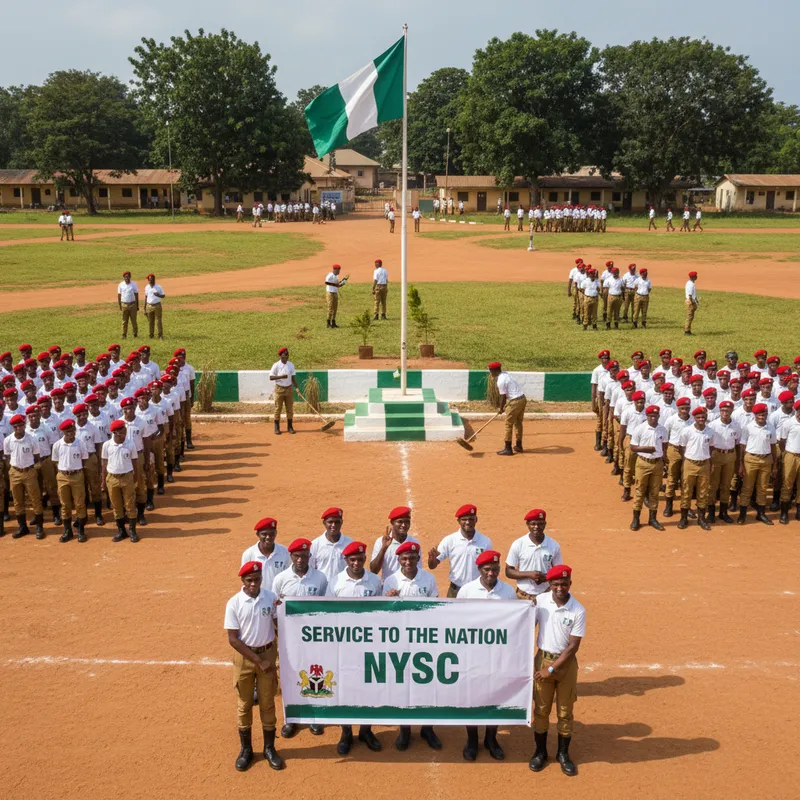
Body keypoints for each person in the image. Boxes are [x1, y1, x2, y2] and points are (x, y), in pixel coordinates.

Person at [224, 561, 284, 772]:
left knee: (268, 702)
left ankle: (269, 748)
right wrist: (259, 661)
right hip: (246, 658)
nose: (253, 584)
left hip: (267, 652)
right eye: (249, 580)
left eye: (257, 579)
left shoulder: (270, 597)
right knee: (244, 704)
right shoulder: (234, 603)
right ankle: (246, 749)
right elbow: (233, 639)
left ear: (261, 579)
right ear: (242, 580)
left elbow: (278, 623)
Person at [457, 550, 516, 762]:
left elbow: (515, 621)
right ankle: (472, 740)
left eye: (495, 569)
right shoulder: (467, 590)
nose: (491, 573)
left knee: (496, 696)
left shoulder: (508, 592)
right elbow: (456, 621)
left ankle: (491, 739)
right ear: (479, 569)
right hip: (472, 655)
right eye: (487, 569)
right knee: (472, 697)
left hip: (498, 655)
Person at [529, 564, 585, 777]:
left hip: (565, 665)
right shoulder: (541, 601)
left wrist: (550, 669)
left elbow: (573, 647)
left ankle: (563, 754)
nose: (560, 588)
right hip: (543, 658)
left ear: (570, 583)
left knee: (565, 712)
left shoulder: (578, 610)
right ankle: (540, 752)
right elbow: (526, 625)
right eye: (555, 584)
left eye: (563, 583)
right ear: (550, 585)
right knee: (541, 710)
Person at [330, 541, 383, 755]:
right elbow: (326, 612)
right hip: (344, 645)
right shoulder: (335, 583)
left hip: (370, 644)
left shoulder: (374, 581)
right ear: (346, 560)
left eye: (360, 559)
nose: (356, 563)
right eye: (352, 559)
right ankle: (346, 732)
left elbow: (383, 611)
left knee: (368, 687)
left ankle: (366, 730)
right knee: (345, 687)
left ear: (364, 559)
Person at [428, 503, 492, 597]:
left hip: (477, 590)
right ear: (458, 521)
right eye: (464, 519)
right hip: (455, 590)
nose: (468, 522)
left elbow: (490, 567)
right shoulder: (449, 540)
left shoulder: (485, 541)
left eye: (471, 519)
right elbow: (432, 566)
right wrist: (432, 559)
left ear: (476, 520)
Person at [505, 508, 562, 601]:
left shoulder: (554, 545)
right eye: (533, 524)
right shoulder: (518, 544)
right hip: (523, 594)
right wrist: (529, 574)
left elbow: (558, 571)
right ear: (527, 524)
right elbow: (508, 571)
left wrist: (545, 577)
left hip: (546, 594)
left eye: (540, 524)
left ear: (545, 524)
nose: (536, 527)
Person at [737, 403, 778, 525]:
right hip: (751, 459)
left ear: (766, 414)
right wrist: (741, 464)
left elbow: (773, 446)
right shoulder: (748, 427)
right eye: (759, 414)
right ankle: (742, 514)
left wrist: (774, 465)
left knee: (762, 488)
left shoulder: (771, 428)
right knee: (747, 487)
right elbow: (742, 446)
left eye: (764, 414)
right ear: (755, 415)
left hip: (766, 459)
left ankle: (761, 514)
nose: (761, 416)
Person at [4, 413, 43, 539]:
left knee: (35, 499)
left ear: (24, 425)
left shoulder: (32, 439)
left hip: (29, 471)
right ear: (13, 427)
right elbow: (8, 456)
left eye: (20, 425)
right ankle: (22, 527)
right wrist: (16, 468)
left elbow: (37, 457)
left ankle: (39, 526)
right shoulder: (8, 440)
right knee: (17, 501)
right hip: (15, 472)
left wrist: (30, 467)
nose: (18, 428)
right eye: (15, 426)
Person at [629, 405, 667, 531]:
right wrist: (647, 449)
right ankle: (636, 519)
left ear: (658, 416)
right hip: (643, 463)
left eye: (655, 416)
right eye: (650, 416)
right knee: (640, 490)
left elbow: (665, 445)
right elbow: (633, 447)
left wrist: (664, 460)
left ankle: (652, 518)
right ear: (647, 416)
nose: (653, 418)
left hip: (657, 463)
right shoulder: (640, 429)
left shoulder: (662, 430)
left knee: (654, 492)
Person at [51, 419, 89, 542]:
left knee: (80, 503)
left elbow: (84, 460)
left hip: (77, 475)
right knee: (65, 504)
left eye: (73, 431)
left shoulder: (80, 443)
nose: (71, 433)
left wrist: (77, 470)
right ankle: (68, 531)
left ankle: (81, 531)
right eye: (68, 431)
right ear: (63, 432)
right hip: (62, 476)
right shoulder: (57, 445)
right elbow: (56, 461)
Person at [101, 419, 139, 542]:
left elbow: (134, 462)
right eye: (122, 432)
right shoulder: (107, 445)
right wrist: (103, 481)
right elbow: (104, 463)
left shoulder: (130, 444)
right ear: (115, 433)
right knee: (116, 506)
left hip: (127, 477)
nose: (124, 435)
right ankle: (121, 531)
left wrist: (136, 478)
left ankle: (132, 531)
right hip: (112, 478)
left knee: (130, 504)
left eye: (125, 432)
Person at [678, 408, 713, 529]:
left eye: (703, 417)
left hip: (704, 464)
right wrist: (687, 460)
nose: (701, 419)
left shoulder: (710, 431)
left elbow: (711, 447)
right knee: (686, 491)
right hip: (690, 463)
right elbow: (682, 447)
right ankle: (683, 518)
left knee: (703, 492)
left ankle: (701, 519)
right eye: (698, 417)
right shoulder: (687, 431)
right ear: (694, 418)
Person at [707, 400, 741, 524]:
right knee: (713, 485)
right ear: (720, 411)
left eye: (727, 411)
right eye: (722, 410)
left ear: (731, 411)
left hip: (730, 456)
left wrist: (738, 462)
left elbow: (738, 444)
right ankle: (711, 512)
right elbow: (709, 445)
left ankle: (723, 512)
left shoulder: (736, 425)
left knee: (726, 485)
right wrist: (709, 461)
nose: (725, 413)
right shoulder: (713, 425)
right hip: (716, 455)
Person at [240, 517, 289, 593]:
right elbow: (246, 578)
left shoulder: (285, 552)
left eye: (272, 534)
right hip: (259, 596)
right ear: (257, 534)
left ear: (276, 533)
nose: (268, 537)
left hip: (279, 596)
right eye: (264, 534)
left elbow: (289, 575)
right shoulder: (249, 554)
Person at [370, 505, 419, 579]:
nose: (404, 525)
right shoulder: (380, 542)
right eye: (400, 522)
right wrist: (384, 548)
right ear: (392, 522)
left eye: (407, 522)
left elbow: (418, 568)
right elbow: (374, 570)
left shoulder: (414, 542)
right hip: (388, 585)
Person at [488, 361, 527, 455]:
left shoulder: (500, 381)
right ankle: (519, 446)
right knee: (518, 423)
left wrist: (501, 408)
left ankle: (508, 448)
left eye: (490, 371)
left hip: (514, 402)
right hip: (522, 399)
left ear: (495, 370)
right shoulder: (505, 374)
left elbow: (503, 396)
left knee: (508, 424)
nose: (490, 373)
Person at [310, 507, 352, 587]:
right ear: (324, 523)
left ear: (341, 522)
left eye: (337, 522)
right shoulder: (315, 544)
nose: (333, 525)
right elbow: (310, 569)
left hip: (343, 587)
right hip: (322, 587)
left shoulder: (349, 544)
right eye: (330, 522)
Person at [778, 400, 800, 523]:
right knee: (787, 483)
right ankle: (784, 513)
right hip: (791, 455)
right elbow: (782, 441)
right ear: (796, 411)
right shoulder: (788, 423)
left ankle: (799, 511)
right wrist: (785, 454)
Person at [268, 347, 298, 436]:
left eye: (286, 356)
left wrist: (296, 387)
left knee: (289, 409)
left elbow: (293, 378)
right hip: (279, 389)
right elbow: (271, 377)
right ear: (280, 356)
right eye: (283, 356)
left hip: (289, 389)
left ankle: (290, 427)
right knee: (278, 408)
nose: (285, 358)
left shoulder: (291, 365)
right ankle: (276, 427)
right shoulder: (276, 365)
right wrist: (281, 377)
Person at [118, 271, 140, 339]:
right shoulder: (121, 285)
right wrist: (120, 305)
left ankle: (135, 333)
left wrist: (137, 305)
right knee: (124, 321)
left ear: (130, 277)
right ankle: (124, 334)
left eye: (128, 277)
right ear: (124, 277)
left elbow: (136, 294)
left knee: (134, 320)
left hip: (132, 304)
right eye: (126, 277)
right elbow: (119, 295)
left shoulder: (134, 284)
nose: (127, 278)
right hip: (124, 305)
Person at [143, 274, 165, 340]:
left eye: (152, 279)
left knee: (158, 321)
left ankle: (160, 336)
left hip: (157, 305)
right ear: (148, 280)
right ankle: (151, 335)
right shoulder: (147, 287)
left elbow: (163, 295)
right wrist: (144, 307)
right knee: (150, 321)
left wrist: (158, 295)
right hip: (149, 306)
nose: (151, 281)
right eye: (150, 279)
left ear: (154, 279)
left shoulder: (158, 287)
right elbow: (146, 297)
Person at [324, 264, 346, 329]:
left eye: (339, 270)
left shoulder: (336, 276)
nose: (339, 271)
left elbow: (337, 285)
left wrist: (341, 283)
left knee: (335, 308)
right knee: (330, 308)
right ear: (334, 269)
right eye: (338, 270)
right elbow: (326, 282)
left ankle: (333, 322)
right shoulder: (330, 275)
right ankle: (328, 323)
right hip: (330, 293)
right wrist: (335, 285)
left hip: (335, 293)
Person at [684, 271, 699, 336]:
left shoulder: (691, 283)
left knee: (691, 317)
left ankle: (688, 330)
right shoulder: (690, 284)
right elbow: (690, 295)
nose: (696, 277)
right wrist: (692, 302)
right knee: (689, 317)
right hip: (690, 301)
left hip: (691, 301)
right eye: (695, 275)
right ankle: (687, 331)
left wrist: (696, 301)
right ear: (693, 277)